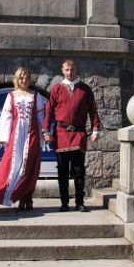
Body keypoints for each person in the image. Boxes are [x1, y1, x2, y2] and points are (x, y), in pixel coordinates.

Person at [0, 67, 46, 210]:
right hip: (16, 136)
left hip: (32, 135)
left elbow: (40, 116)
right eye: (22, 78)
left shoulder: (35, 96)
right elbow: (6, 117)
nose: (25, 80)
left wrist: (45, 133)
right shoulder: (11, 96)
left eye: (27, 78)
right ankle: (8, 195)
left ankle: (26, 198)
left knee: (29, 168)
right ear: (17, 79)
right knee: (12, 165)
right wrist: (3, 137)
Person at [43, 59, 101, 212]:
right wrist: (46, 130)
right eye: (67, 70)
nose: (70, 72)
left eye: (72, 69)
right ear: (62, 70)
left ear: (76, 70)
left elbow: (93, 110)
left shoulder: (85, 89)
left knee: (79, 171)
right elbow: (49, 110)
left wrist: (96, 129)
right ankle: (64, 203)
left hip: (78, 134)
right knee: (62, 171)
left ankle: (80, 202)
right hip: (61, 134)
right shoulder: (56, 88)